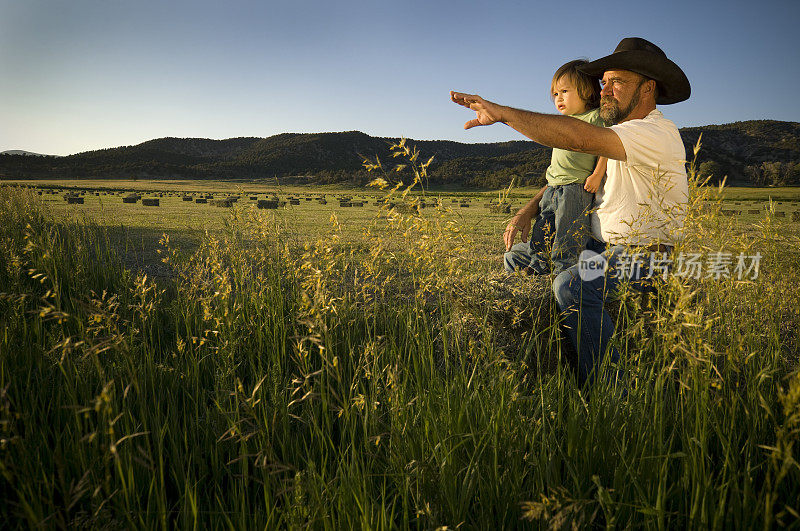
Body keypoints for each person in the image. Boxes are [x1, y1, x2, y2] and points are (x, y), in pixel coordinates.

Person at [451, 37, 690, 386]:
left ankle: (612, 392)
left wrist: (503, 114)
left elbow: (576, 138)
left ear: (648, 88)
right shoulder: (619, 133)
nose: (605, 89)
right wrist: (528, 209)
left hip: (642, 256)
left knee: (571, 285)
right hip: (600, 247)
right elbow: (567, 176)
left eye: (617, 82)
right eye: (604, 81)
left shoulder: (653, 132)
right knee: (518, 260)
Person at [503, 59, 608, 276]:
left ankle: (563, 274)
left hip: (575, 189)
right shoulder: (563, 123)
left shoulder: (595, 117)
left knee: (567, 237)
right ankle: (539, 268)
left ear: (587, 91)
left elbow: (607, 147)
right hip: (553, 188)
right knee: (542, 230)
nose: (558, 98)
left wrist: (597, 174)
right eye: (555, 94)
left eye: (564, 91)